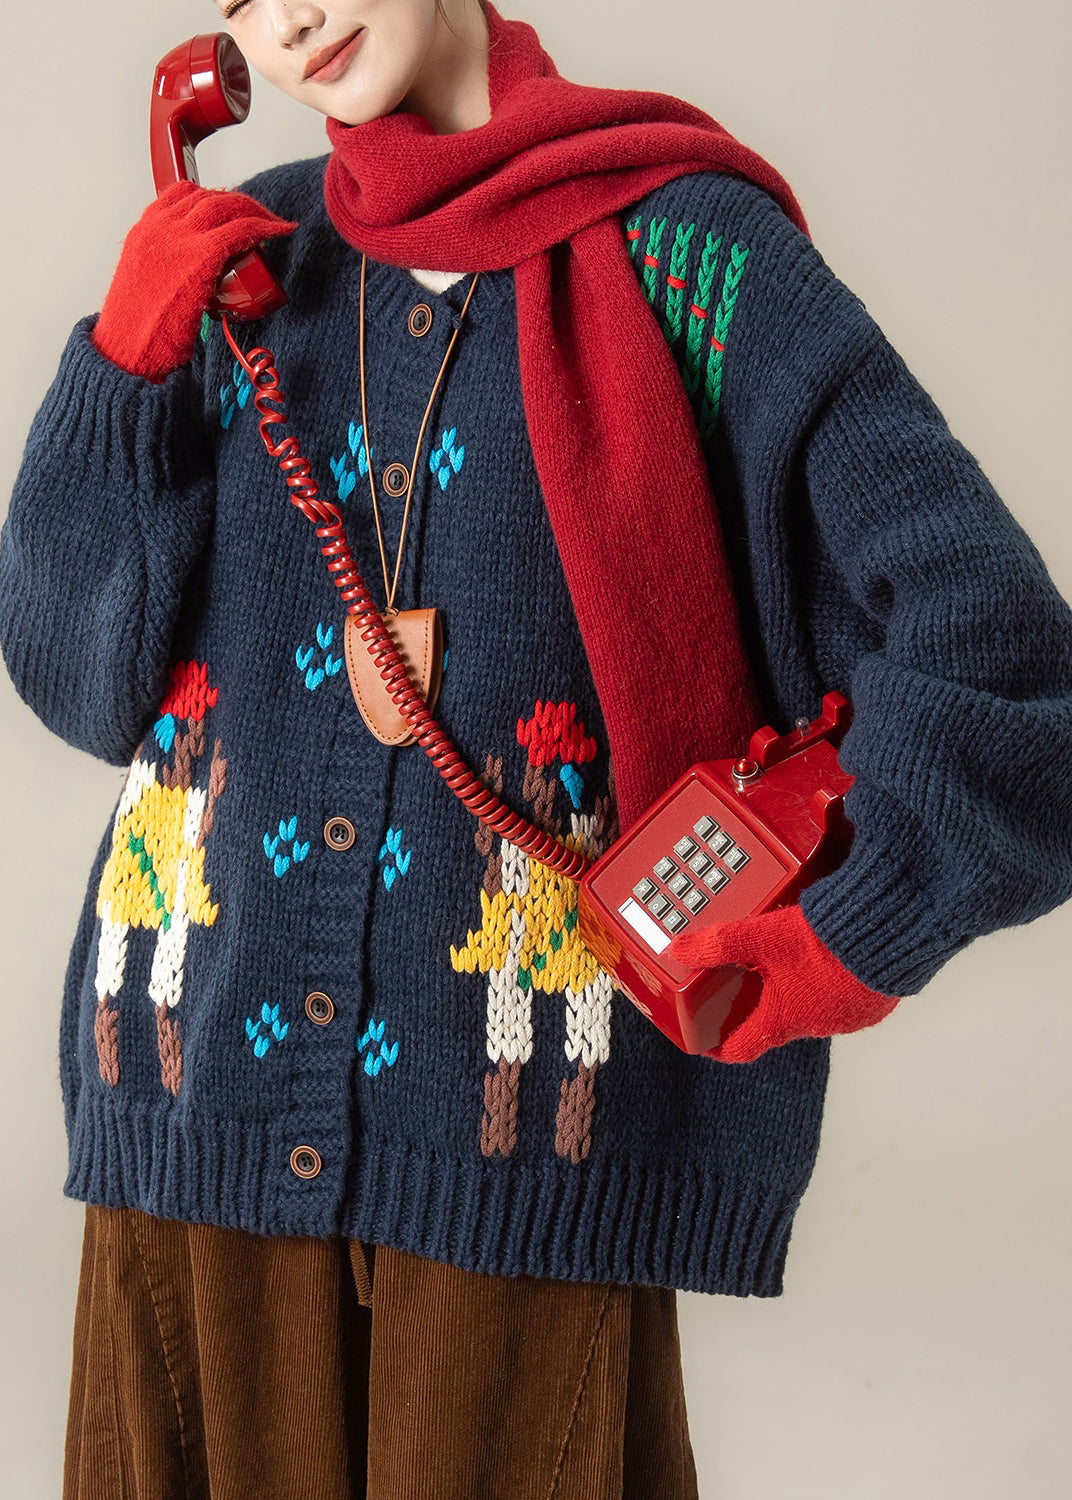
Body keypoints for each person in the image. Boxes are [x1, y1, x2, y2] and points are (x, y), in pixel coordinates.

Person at [2, 1, 1071, 1495]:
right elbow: (71, 684)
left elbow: (996, 642)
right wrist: (120, 369)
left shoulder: (688, 249)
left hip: (528, 1161)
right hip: (194, 1133)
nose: (290, 18)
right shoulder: (244, 271)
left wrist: (855, 923)